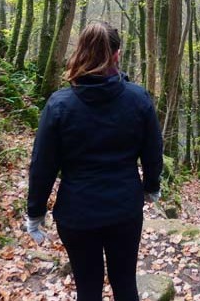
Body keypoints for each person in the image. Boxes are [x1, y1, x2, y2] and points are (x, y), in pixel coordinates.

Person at [25, 22, 163, 301]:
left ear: (82, 53)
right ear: (117, 55)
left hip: (77, 213)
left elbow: (43, 165)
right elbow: (153, 151)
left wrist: (35, 212)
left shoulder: (59, 105)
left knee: (87, 290)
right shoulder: (138, 99)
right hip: (124, 209)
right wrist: (151, 187)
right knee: (125, 285)